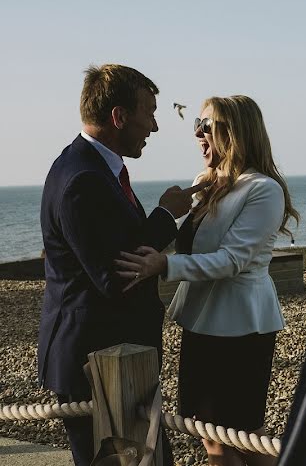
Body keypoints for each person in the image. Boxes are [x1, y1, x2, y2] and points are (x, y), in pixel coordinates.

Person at [116, 95, 298, 466]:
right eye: (196, 124)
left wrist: (164, 267)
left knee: (241, 437)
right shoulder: (204, 183)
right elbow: (193, 243)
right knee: (208, 434)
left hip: (242, 328)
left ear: (235, 134)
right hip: (202, 322)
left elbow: (233, 260)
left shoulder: (263, 190)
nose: (198, 133)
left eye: (207, 126)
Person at [38, 64, 198, 466]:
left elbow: (117, 249)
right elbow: (114, 275)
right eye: (150, 113)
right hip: (97, 364)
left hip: (116, 360)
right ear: (119, 117)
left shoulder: (87, 168)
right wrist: (165, 215)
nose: (156, 126)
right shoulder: (83, 181)